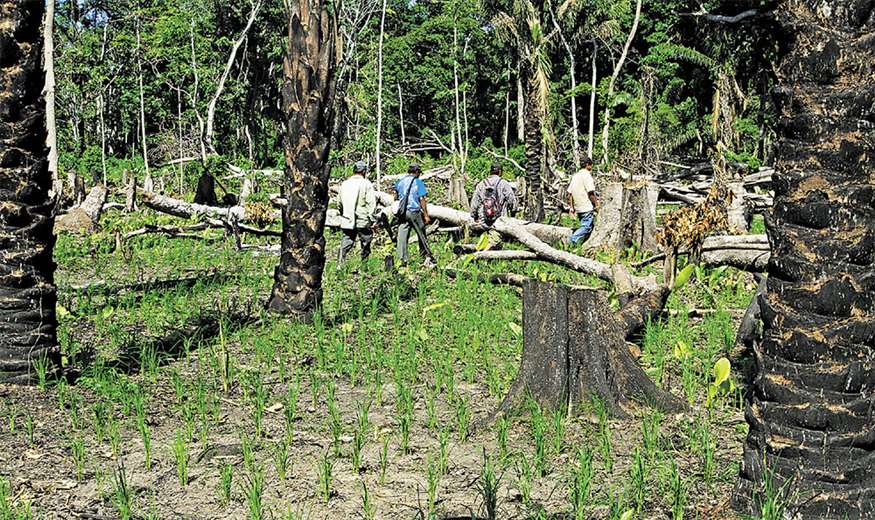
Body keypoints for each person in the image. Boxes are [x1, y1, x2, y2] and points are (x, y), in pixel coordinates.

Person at [395, 163, 435, 266]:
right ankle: (426, 255)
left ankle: (401, 259)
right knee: (421, 234)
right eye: (419, 173)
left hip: (403, 212)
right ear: (417, 172)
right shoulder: (418, 182)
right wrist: (426, 215)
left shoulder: (400, 182)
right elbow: (422, 199)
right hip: (414, 211)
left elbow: (396, 197)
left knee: (402, 236)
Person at [470, 161, 518, 249]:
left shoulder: (481, 184)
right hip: (499, 221)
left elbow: (474, 202)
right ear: (500, 172)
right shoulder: (503, 183)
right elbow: (511, 200)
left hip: (483, 221)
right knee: (498, 240)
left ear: (490, 171)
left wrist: (474, 216)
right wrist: (513, 213)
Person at [337, 161, 377, 264]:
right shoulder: (366, 184)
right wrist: (372, 220)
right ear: (364, 171)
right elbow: (371, 204)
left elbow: (339, 202)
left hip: (347, 218)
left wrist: (343, 214)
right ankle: (364, 265)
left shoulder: (345, 184)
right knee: (366, 242)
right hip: (362, 219)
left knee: (346, 242)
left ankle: (340, 265)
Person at [567, 157, 599, 244]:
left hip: (578, 207)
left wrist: (572, 207)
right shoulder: (587, 176)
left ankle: (580, 244)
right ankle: (571, 241)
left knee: (587, 227)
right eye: (591, 165)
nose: (591, 167)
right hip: (586, 207)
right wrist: (596, 205)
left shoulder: (575, 176)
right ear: (588, 165)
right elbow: (591, 193)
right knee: (586, 227)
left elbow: (570, 193)